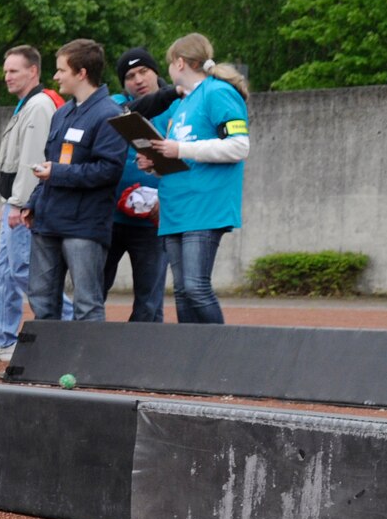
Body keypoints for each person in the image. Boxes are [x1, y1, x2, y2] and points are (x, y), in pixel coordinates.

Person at [138, 33, 249, 325]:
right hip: (177, 205)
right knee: (183, 291)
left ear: (179, 63)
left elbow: (239, 146)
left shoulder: (217, 92)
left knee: (196, 287)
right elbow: (183, 156)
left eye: (169, 65)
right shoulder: (184, 103)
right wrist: (155, 163)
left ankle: (222, 355)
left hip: (205, 205)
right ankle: (192, 361)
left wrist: (180, 148)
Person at [23, 39, 126, 323]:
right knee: (41, 299)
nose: (55, 77)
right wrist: (32, 203)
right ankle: (47, 364)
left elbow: (108, 170)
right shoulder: (61, 113)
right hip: (48, 221)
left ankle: (88, 368)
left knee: (87, 304)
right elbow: (50, 163)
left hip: (84, 226)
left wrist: (57, 173)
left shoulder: (109, 115)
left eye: (61, 70)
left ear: (81, 73)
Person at [0, 46, 58, 363]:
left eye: (14, 71)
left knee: (24, 271)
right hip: (14, 203)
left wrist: (20, 204)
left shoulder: (38, 105)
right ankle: (4, 338)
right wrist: (9, 202)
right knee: (4, 274)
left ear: (33, 71)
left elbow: (33, 160)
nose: (7, 76)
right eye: (6, 71)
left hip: (23, 206)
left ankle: (75, 324)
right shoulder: (27, 104)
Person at [104, 48, 168, 323]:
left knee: (149, 302)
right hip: (110, 219)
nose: (138, 79)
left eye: (144, 71)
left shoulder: (179, 105)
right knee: (93, 290)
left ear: (156, 72)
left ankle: (141, 359)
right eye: (130, 76)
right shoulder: (114, 105)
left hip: (155, 221)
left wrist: (164, 200)